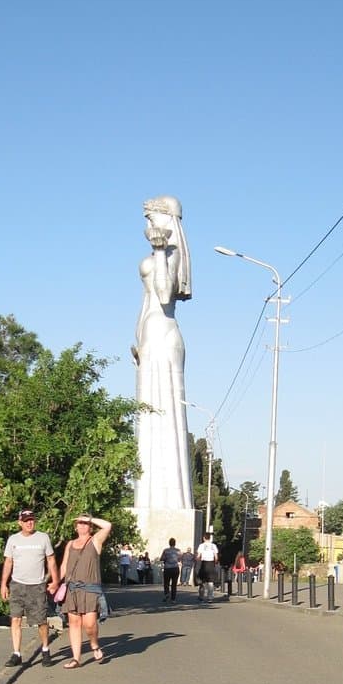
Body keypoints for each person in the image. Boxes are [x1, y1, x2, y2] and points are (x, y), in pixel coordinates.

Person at [131, 196, 194, 511]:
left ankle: (165, 503)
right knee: (149, 419)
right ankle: (148, 500)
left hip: (162, 335)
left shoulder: (169, 253)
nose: (147, 226)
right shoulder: (164, 253)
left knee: (162, 416)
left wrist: (158, 252)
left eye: (151, 218)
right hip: (151, 337)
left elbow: (164, 293)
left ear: (165, 219)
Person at [0, 508, 59, 667]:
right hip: (18, 584)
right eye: (26, 521)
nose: (29, 523)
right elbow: (8, 562)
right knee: (16, 618)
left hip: (37, 585)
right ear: (20, 523)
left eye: (32, 520)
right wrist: (3, 584)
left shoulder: (43, 538)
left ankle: (45, 650)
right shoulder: (13, 540)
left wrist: (55, 580)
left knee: (41, 620)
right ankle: (16, 653)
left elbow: (51, 560)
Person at [60, 513, 112, 667]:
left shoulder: (95, 540)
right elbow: (64, 565)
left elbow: (107, 525)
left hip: (90, 589)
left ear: (90, 526)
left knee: (89, 624)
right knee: (74, 623)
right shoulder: (70, 544)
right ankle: (76, 658)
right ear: (75, 526)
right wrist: (55, 582)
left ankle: (95, 645)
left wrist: (90, 519)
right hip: (72, 589)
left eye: (85, 523)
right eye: (79, 523)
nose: (82, 525)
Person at [196, 532, 219, 602]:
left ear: (204, 538)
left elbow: (198, 556)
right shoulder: (213, 545)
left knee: (202, 581)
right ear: (210, 538)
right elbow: (216, 557)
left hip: (204, 563)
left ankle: (201, 596)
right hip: (211, 563)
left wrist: (197, 560)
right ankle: (210, 598)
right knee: (210, 581)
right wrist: (215, 562)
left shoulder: (201, 545)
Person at [160, 537, 181, 602]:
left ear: (169, 543)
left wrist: (166, 558)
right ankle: (173, 599)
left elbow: (162, 558)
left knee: (166, 583)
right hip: (175, 568)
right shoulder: (178, 550)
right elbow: (179, 559)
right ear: (175, 543)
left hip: (168, 568)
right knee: (174, 584)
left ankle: (166, 593)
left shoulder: (166, 550)